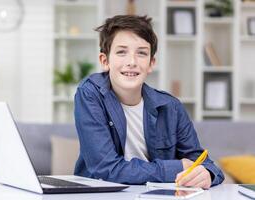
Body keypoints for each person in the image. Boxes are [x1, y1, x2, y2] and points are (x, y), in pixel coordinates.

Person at [73, 15, 224, 189]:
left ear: (151, 63)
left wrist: (207, 174)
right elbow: (106, 168)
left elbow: (206, 164)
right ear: (105, 61)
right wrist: (176, 168)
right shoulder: (90, 94)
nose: (131, 62)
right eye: (121, 52)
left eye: (142, 53)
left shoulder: (171, 107)